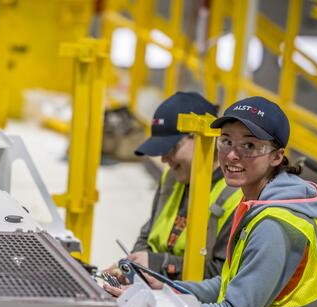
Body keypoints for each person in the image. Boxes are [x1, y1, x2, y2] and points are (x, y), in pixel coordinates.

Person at [104, 96, 317, 307]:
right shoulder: (257, 204)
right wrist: (165, 288)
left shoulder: (275, 224)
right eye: (226, 141)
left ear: (277, 156)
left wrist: (157, 306)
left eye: (249, 145)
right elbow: (226, 286)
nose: (231, 155)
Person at [104, 91, 242, 280]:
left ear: (203, 137)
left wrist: (157, 265)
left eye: (171, 149)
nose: (163, 159)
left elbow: (221, 275)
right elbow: (146, 235)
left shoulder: (236, 197)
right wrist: (136, 267)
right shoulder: (171, 178)